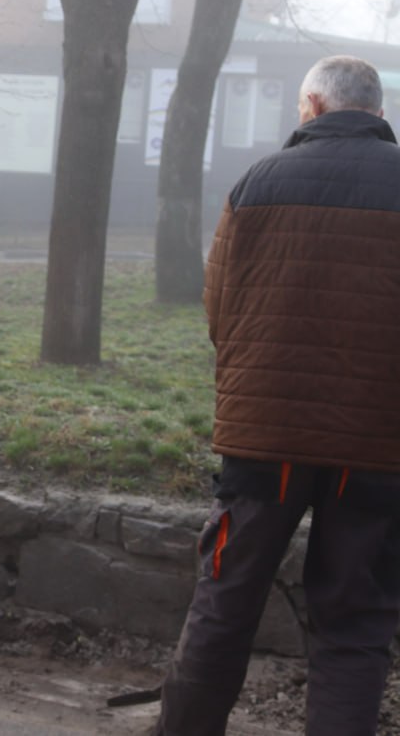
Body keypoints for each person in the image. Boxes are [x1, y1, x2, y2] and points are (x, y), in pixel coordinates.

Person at [155, 55, 400, 735]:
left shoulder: (258, 182)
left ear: (314, 108)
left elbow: (219, 309)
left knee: (224, 603)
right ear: (377, 114)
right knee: (354, 623)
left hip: (263, 442)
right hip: (378, 446)